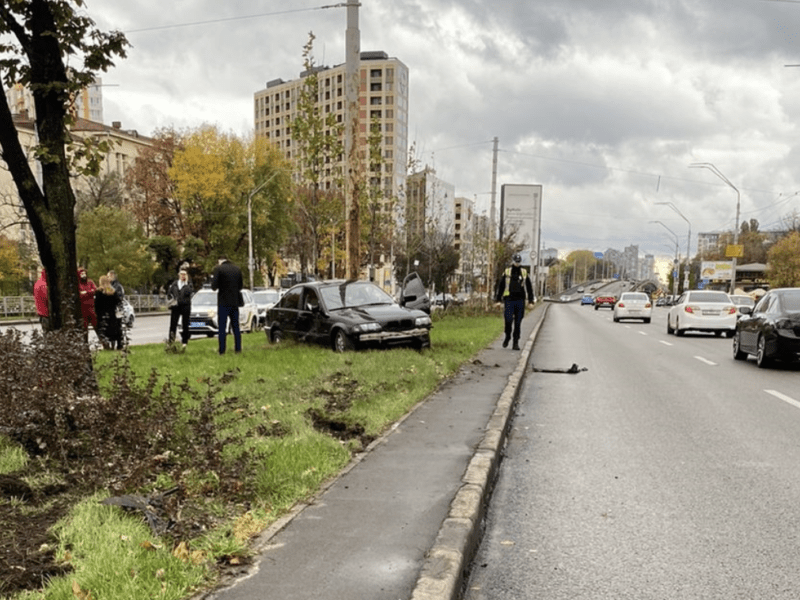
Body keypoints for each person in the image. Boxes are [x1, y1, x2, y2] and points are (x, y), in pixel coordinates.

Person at [494, 253, 534, 351]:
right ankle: (508, 336)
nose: (517, 263)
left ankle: (516, 342)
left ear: (520, 262)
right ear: (513, 261)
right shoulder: (507, 272)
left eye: (518, 262)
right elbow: (501, 286)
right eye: (515, 261)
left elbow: (529, 287)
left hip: (520, 300)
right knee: (508, 320)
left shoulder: (524, 272)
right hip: (509, 299)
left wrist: (531, 301)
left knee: (518, 323)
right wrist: (498, 300)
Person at [211, 255, 244, 355]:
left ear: (220, 261)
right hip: (234, 302)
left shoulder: (218, 269)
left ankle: (222, 350)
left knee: (222, 327)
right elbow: (241, 286)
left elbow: (214, 287)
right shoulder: (237, 269)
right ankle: (238, 349)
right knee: (236, 327)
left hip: (223, 302)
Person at [94, 275, 123, 349]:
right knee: (115, 329)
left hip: (102, 314)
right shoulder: (113, 291)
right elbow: (118, 301)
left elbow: (96, 304)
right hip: (112, 313)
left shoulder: (98, 292)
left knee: (104, 330)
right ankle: (118, 344)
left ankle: (107, 345)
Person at [167, 269, 194, 348]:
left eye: (184, 274)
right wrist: (172, 299)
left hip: (185, 306)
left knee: (185, 324)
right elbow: (169, 293)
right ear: (179, 275)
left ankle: (184, 341)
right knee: (173, 324)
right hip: (176, 306)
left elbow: (189, 292)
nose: (182, 275)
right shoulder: (175, 284)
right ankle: (171, 340)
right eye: (181, 274)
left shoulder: (189, 284)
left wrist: (186, 283)